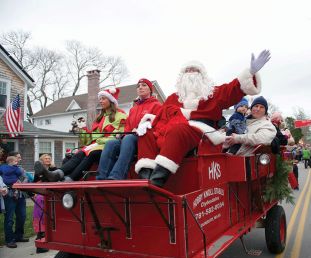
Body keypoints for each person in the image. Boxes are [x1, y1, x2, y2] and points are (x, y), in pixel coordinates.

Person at [135, 50, 271, 187]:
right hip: (171, 130)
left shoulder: (213, 94)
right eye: (187, 71)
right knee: (145, 132)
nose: (191, 73)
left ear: (202, 75)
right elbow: (161, 115)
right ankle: (145, 178)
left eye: (195, 70)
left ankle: (157, 182)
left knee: (179, 130)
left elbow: (233, 89)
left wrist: (250, 73)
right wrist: (148, 122)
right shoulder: (173, 98)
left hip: (202, 132)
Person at [35, 88, 127, 181]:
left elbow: (119, 135)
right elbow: (91, 139)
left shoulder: (121, 115)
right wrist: (82, 130)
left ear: (111, 100)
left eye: (103, 99)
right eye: (100, 99)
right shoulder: (100, 117)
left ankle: (70, 178)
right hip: (98, 146)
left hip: (110, 148)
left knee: (92, 154)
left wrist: (100, 140)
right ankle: (57, 174)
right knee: (80, 153)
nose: (101, 101)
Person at [97, 78, 162, 180]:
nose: (140, 87)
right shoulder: (133, 109)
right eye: (138, 86)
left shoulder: (156, 105)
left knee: (129, 138)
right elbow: (127, 126)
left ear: (150, 90)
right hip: (130, 139)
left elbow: (159, 126)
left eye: (144, 85)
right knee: (111, 143)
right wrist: (122, 134)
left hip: (144, 140)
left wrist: (140, 130)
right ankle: (101, 178)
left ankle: (116, 176)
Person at [0, 155, 28, 248]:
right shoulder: (3, 168)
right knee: (9, 218)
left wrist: (22, 185)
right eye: (18, 158)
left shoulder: (20, 169)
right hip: (9, 194)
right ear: (11, 161)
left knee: (22, 216)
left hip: (20, 194)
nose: (19, 160)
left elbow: (26, 178)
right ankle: (9, 239)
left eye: (19, 158)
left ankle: (19, 236)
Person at [33, 154, 56, 253]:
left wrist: (54, 167)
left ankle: (47, 240)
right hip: (41, 196)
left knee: (49, 218)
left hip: (51, 196)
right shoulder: (38, 172)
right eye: (46, 158)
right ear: (41, 161)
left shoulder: (54, 169)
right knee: (41, 218)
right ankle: (40, 245)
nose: (48, 160)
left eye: (49, 158)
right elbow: (35, 183)